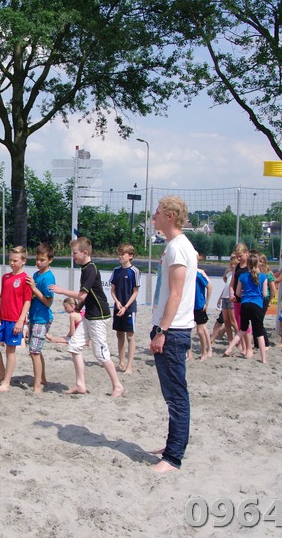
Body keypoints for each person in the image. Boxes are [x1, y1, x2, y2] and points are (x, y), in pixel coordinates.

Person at [148, 196, 197, 472]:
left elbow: (176, 295)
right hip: (173, 327)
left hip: (174, 330)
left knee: (176, 396)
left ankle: (173, 457)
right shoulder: (175, 246)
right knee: (173, 395)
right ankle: (172, 446)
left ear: (169, 215)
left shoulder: (178, 248)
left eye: (157, 212)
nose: (153, 216)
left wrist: (162, 331)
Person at [50, 237, 124, 398]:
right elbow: (87, 296)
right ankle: (80, 384)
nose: (73, 256)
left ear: (84, 253)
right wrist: (78, 307)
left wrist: (61, 291)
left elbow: (82, 294)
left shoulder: (90, 269)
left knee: (100, 353)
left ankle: (117, 385)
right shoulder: (85, 268)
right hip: (90, 315)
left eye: (75, 253)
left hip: (98, 316)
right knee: (74, 346)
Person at [0, 246, 32, 392]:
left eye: (15, 260)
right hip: (2, 318)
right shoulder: (5, 277)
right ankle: (2, 373)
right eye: (10, 260)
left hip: (14, 320)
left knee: (10, 350)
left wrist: (21, 321)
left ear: (23, 261)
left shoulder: (25, 279)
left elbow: (27, 301)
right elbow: (1, 297)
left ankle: (6, 382)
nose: (12, 263)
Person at [224, 249, 268, 363]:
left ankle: (229, 349)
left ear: (247, 265)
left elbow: (238, 293)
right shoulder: (263, 277)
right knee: (259, 333)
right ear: (257, 264)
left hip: (245, 304)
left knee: (242, 329)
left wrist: (245, 293)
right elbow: (265, 294)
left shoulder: (243, 276)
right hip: (257, 305)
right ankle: (263, 358)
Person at [26, 243, 55, 394]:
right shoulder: (37, 275)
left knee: (34, 351)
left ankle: (37, 385)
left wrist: (33, 288)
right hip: (34, 316)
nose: (38, 262)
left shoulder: (48, 278)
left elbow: (48, 302)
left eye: (42, 260)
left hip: (42, 318)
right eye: (37, 259)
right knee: (35, 350)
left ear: (50, 260)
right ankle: (41, 378)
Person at [110, 243, 141, 373]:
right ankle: (121, 362)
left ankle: (129, 366)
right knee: (119, 334)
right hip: (118, 306)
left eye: (123, 254)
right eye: (119, 254)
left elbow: (135, 291)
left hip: (129, 308)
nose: (120, 257)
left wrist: (126, 306)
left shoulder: (134, 271)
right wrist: (117, 302)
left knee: (130, 336)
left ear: (130, 256)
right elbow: (112, 290)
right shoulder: (116, 271)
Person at [46, 297, 87, 394]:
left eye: (66, 307)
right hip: (85, 337)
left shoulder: (73, 315)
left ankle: (47, 335)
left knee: (54, 339)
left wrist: (65, 338)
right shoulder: (83, 312)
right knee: (63, 340)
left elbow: (72, 332)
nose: (65, 310)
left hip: (77, 338)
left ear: (72, 306)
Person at [209, 254, 238, 346]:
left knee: (233, 321)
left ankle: (239, 340)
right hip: (225, 297)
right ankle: (230, 340)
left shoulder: (237, 274)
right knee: (226, 321)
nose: (232, 265)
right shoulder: (229, 273)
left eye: (234, 264)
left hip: (232, 298)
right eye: (231, 264)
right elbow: (226, 287)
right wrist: (220, 297)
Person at [193, 257, 212, 360]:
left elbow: (209, 286)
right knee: (201, 329)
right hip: (191, 305)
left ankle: (206, 351)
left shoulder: (198, 273)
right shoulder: (187, 273)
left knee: (201, 330)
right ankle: (191, 353)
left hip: (199, 305)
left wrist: (206, 303)